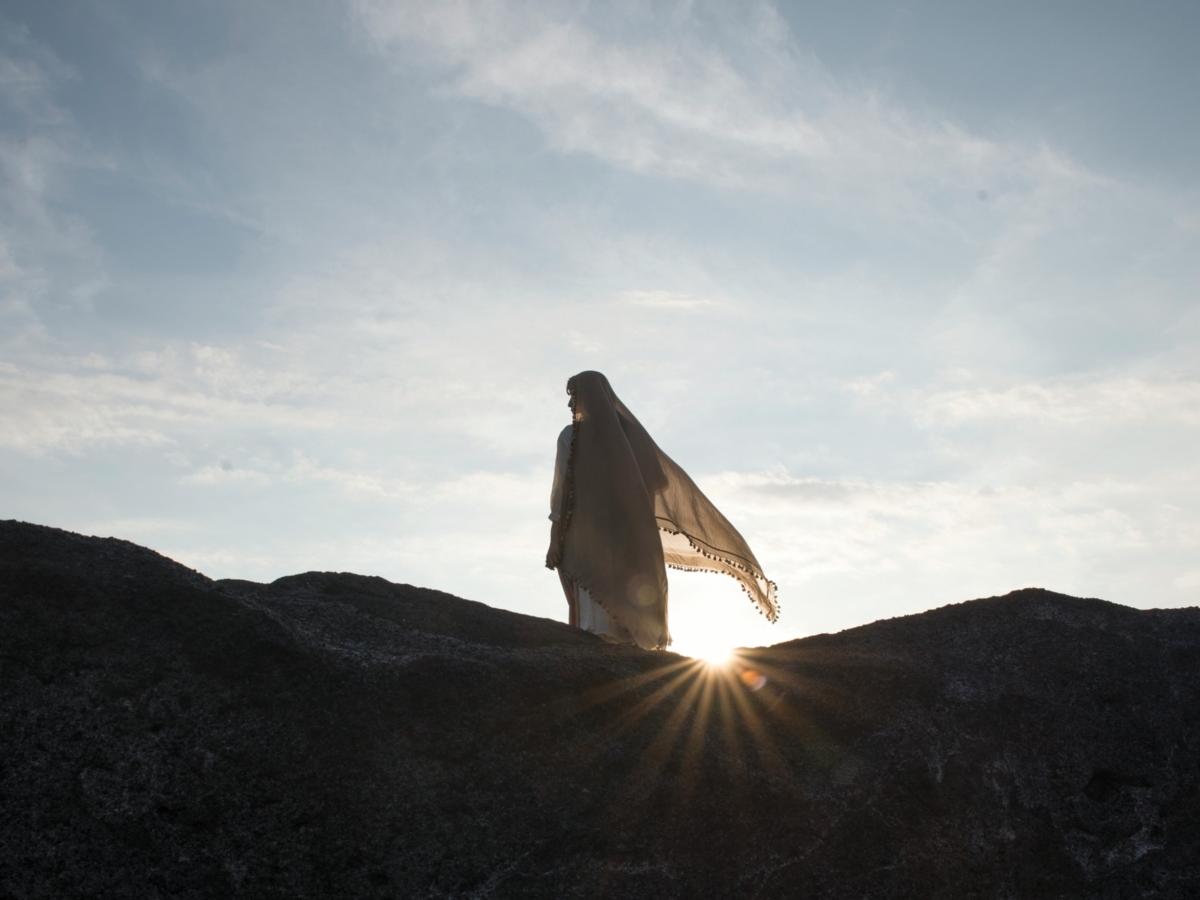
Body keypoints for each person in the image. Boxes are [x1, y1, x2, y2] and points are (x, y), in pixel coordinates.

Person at [545, 370, 779, 650]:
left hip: (593, 539)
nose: (571, 405)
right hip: (621, 538)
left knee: (601, 621)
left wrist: (559, 534)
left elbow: (562, 494)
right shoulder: (626, 434)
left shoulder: (573, 436)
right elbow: (657, 481)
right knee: (622, 606)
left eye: (574, 397)